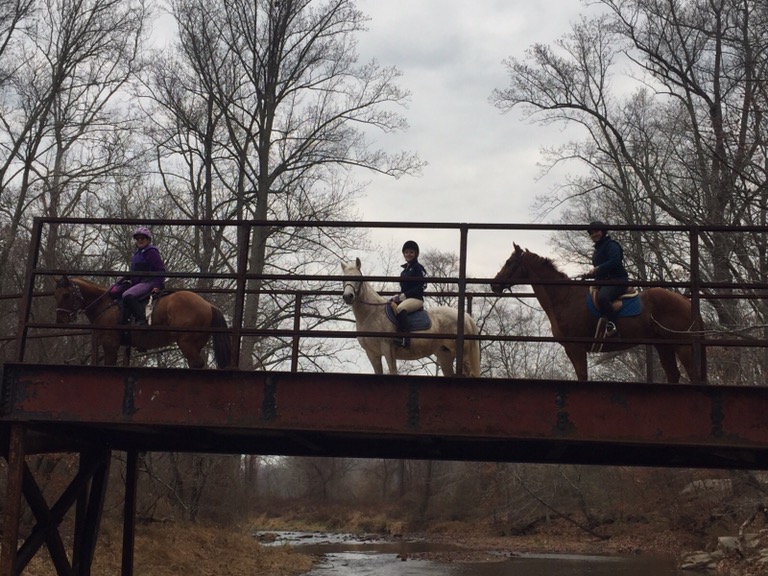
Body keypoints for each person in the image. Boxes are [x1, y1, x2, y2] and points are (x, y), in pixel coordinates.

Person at [109, 226, 166, 325]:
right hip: (137, 282)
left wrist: (157, 285)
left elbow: (160, 269)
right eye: (137, 238)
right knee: (114, 290)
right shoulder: (137, 254)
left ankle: (141, 319)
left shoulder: (151, 252)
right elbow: (134, 271)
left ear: (148, 239)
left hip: (148, 281)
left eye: (142, 238)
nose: (140, 240)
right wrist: (124, 278)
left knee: (127, 295)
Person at [585, 221, 628, 336]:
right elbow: (601, 269)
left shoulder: (612, 245)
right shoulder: (597, 250)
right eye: (592, 233)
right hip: (603, 281)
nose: (594, 234)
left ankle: (612, 324)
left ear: (603, 231)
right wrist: (590, 275)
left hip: (617, 280)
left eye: (596, 231)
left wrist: (597, 269)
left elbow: (615, 261)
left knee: (603, 297)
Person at [392, 240, 427, 348]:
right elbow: (404, 288)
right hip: (406, 298)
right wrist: (398, 296)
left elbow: (422, 286)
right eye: (406, 252)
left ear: (416, 254)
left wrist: (404, 296)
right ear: (404, 254)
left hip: (416, 299)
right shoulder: (403, 271)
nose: (408, 254)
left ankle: (405, 339)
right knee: (390, 306)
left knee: (400, 309)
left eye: (411, 252)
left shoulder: (418, 268)